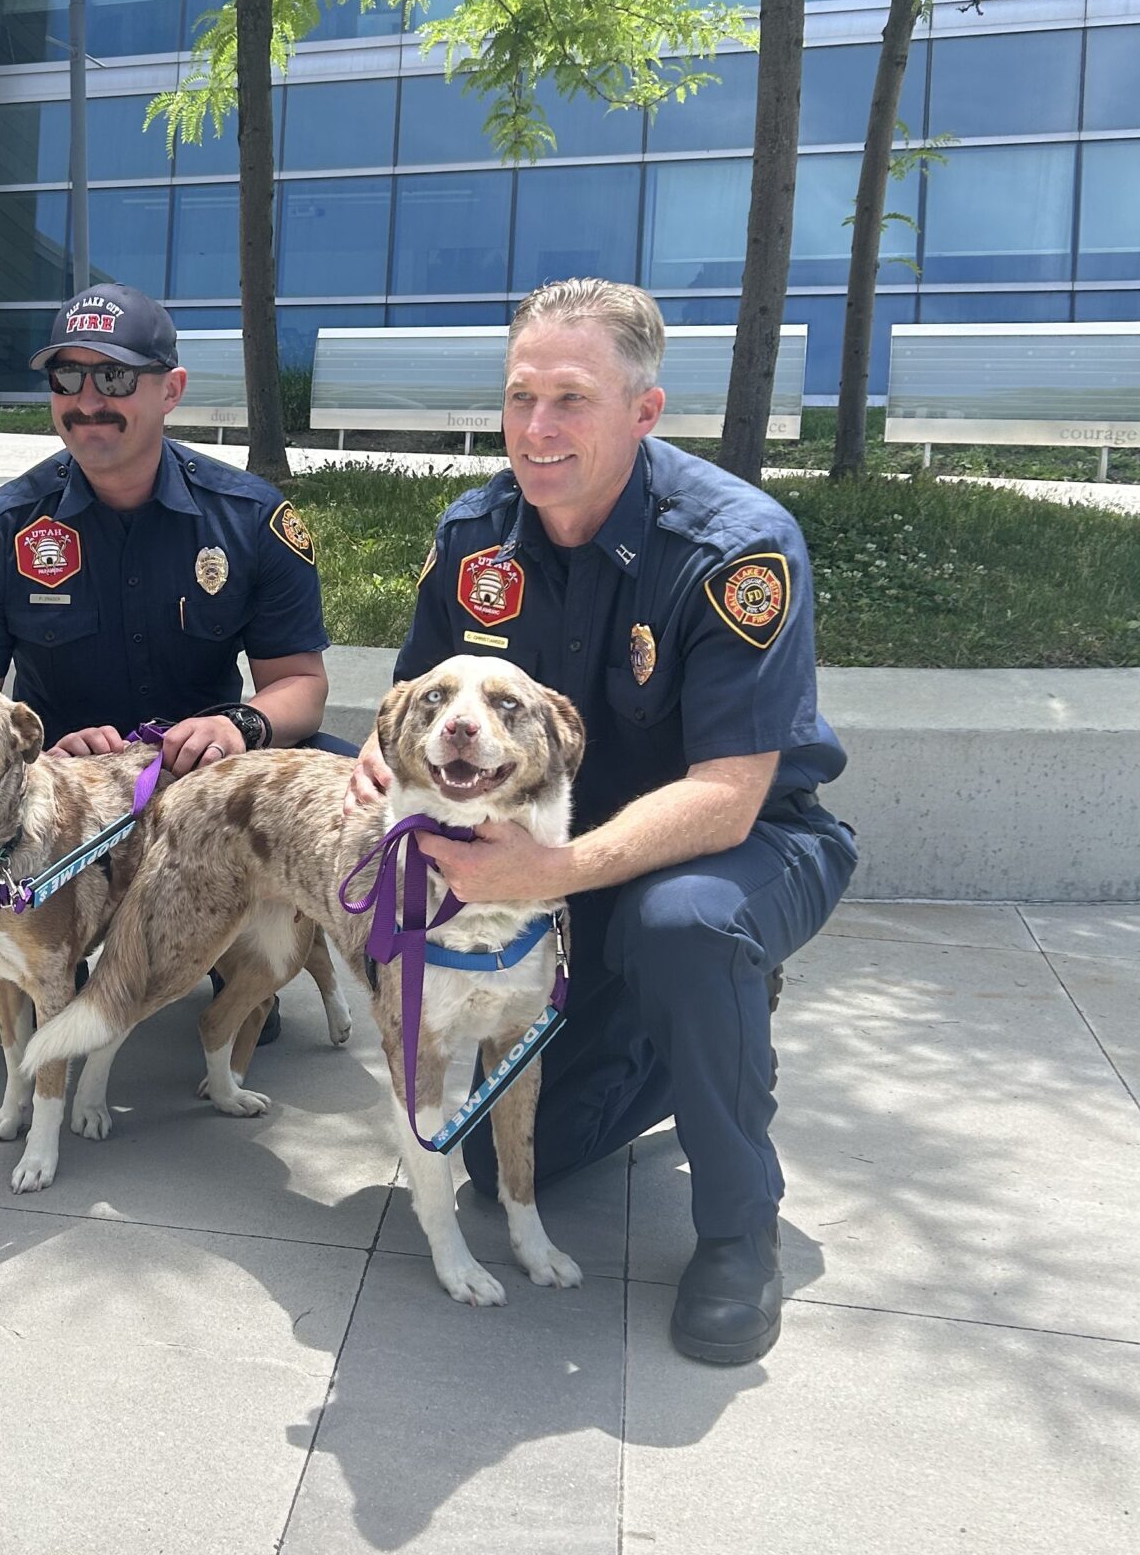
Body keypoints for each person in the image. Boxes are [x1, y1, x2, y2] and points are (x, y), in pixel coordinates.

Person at [347, 279, 857, 1365]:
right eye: (521, 395)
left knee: (681, 928)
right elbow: (405, 717)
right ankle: (691, 1030)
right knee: (504, 1164)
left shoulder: (734, 549)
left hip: (745, 843)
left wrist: (551, 873)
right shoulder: (475, 537)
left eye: (571, 398)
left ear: (645, 411)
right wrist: (371, 773)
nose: (537, 429)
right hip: (556, 860)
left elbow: (730, 791)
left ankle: (737, 1224)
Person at [0, 282, 354, 1041]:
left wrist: (240, 725)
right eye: (68, 377)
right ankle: (62, 949)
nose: (89, 399)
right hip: (61, 814)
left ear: (171, 391)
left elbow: (301, 686)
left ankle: (239, 941)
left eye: (116, 377)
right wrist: (43, 761)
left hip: (199, 797)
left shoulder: (251, 519)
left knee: (348, 783)